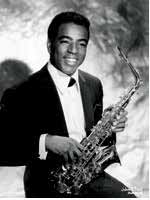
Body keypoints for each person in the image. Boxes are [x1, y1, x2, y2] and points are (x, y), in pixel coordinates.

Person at [0, 11, 136, 198]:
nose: (74, 50)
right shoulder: (21, 91)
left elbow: (95, 142)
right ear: (50, 45)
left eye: (82, 44)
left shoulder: (94, 84)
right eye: (65, 41)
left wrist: (109, 127)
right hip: (49, 184)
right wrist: (46, 142)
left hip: (89, 175)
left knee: (131, 197)